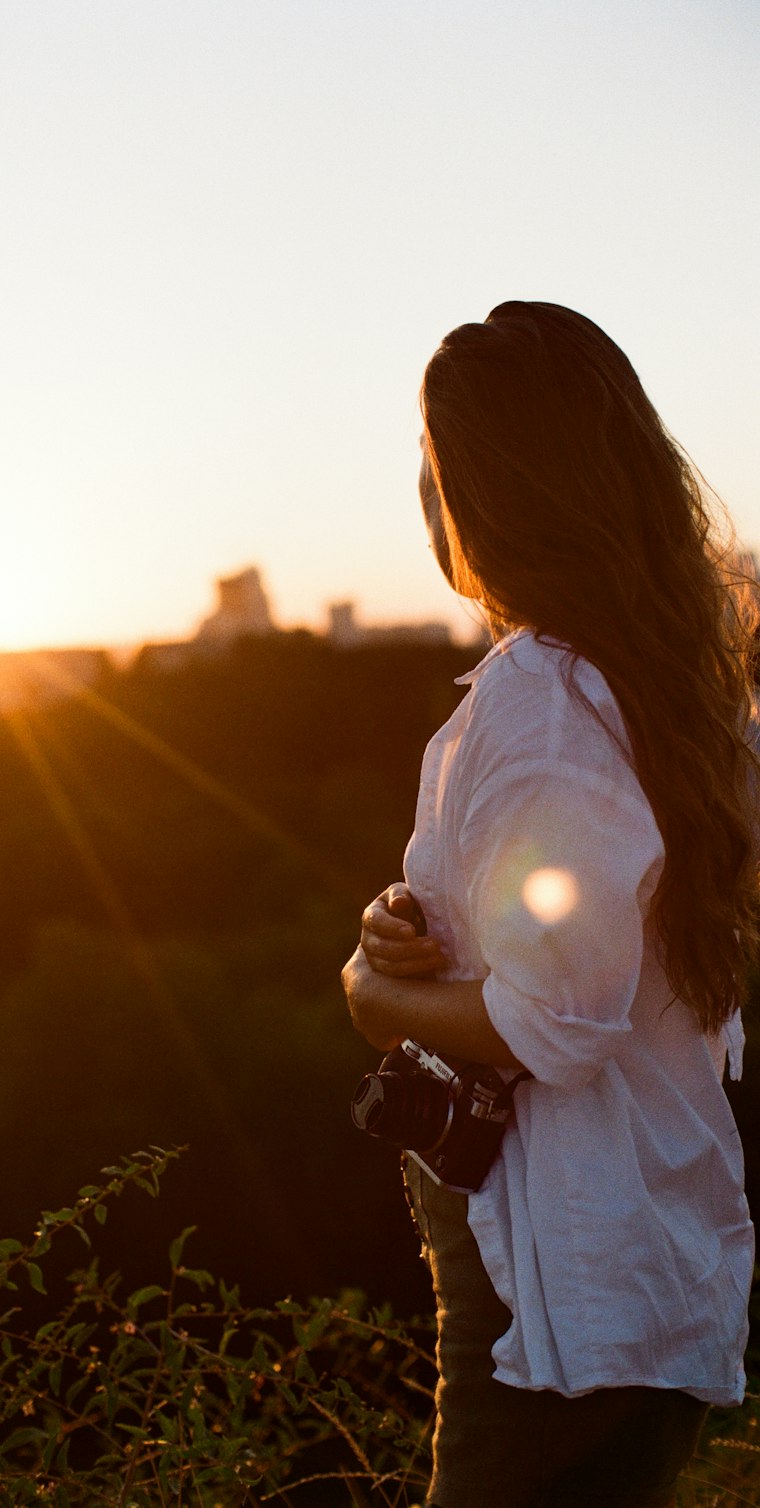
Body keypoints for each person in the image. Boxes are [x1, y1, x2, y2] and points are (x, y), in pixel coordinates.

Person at [341, 301, 757, 1508]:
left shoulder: (542, 697)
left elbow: (555, 1021)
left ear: (484, 491)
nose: (425, 494)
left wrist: (375, 996)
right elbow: (586, 930)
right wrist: (416, 920)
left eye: (435, 464)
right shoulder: (664, 679)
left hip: (562, 1291)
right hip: (634, 1255)